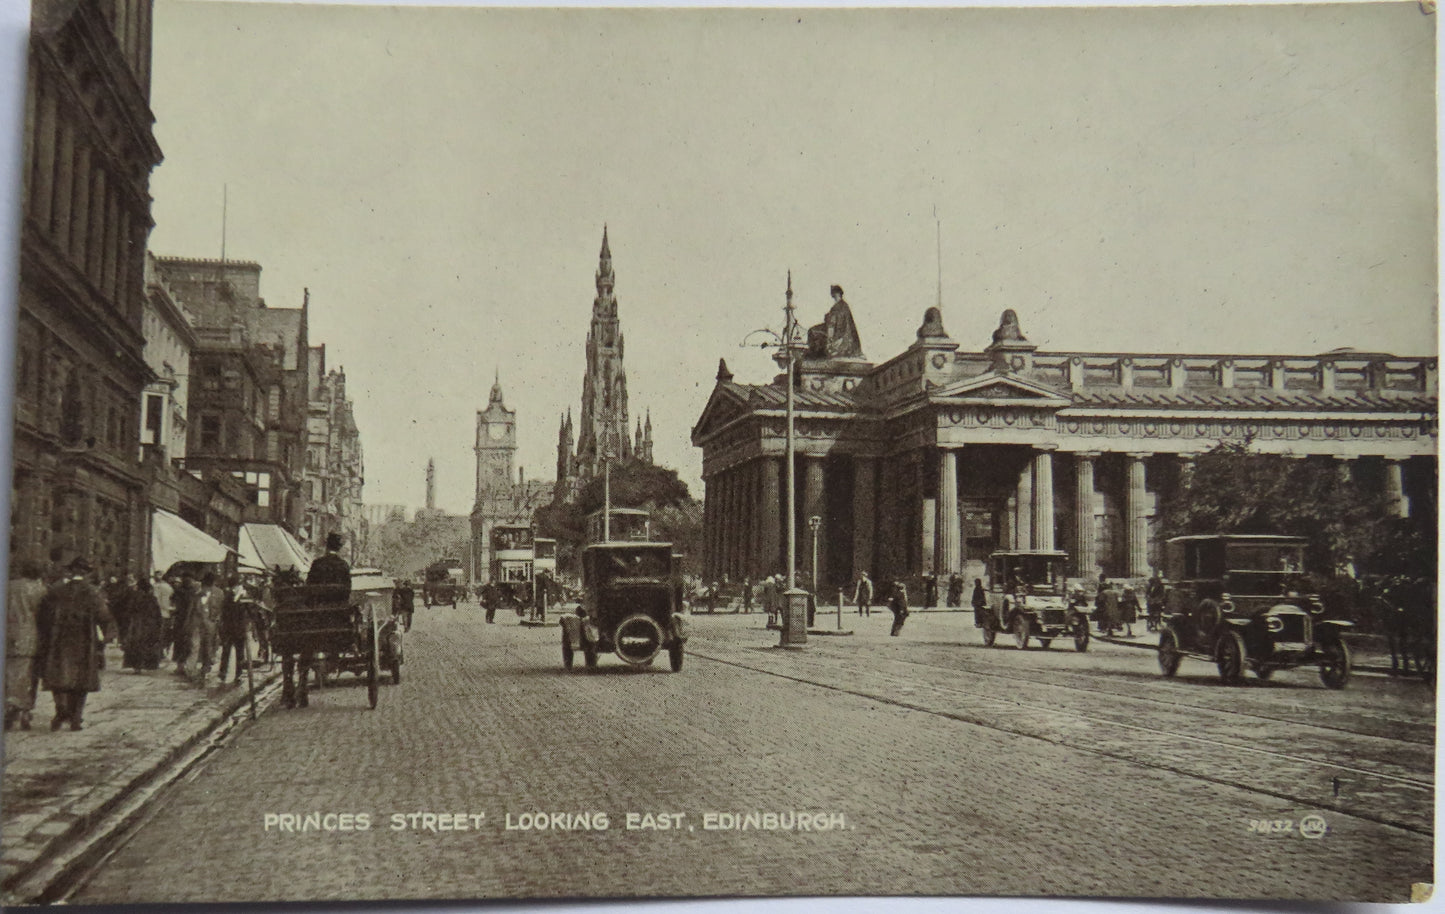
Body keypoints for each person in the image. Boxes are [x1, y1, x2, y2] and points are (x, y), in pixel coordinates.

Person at [36, 557, 113, 731]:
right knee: (81, 680)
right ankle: (76, 718)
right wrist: (104, 637)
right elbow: (104, 616)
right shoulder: (92, 592)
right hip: (83, 641)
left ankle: (60, 709)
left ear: (71, 571)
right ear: (86, 573)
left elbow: (43, 616)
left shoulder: (56, 591)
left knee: (59, 676)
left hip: (59, 640)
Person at [6, 558, 46, 730]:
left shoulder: (9, 586)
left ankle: (8, 705)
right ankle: (24, 710)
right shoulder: (39, 589)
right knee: (28, 675)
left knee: (8, 674)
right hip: (29, 637)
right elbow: (43, 615)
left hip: (7, 636)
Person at [123, 578, 165, 671]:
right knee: (148, 643)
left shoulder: (135, 598)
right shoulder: (152, 598)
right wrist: (159, 623)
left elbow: (128, 611)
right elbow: (157, 613)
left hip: (137, 624)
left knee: (136, 644)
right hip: (150, 624)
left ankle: (137, 666)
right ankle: (148, 664)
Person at [216, 577, 249, 684]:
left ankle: (223, 673)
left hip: (229, 628)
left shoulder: (227, 596)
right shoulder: (241, 596)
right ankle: (237, 674)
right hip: (237, 628)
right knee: (238, 652)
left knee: (226, 651)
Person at [171, 571, 199, 676]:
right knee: (186, 643)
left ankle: (182, 666)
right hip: (187, 620)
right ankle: (185, 666)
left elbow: (173, 604)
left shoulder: (180, 591)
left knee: (182, 643)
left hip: (182, 620)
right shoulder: (194, 592)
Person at [152, 572, 174, 660]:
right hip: (167, 613)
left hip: (158, 613)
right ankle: (161, 652)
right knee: (164, 634)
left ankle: (157, 653)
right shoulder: (169, 588)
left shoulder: (156, 587)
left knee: (158, 634)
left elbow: (156, 600)